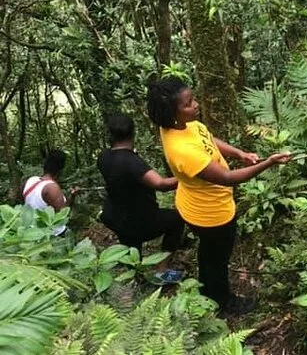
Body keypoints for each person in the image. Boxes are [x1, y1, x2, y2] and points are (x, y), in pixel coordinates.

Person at [146, 77, 292, 315]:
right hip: (210, 214)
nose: (196, 105)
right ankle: (221, 302)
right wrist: (268, 163)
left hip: (197, 203)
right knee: (217, 259)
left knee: (209, 254)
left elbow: (208, 139)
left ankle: (208, 289)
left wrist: (240, 153)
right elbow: (227, 177)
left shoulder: (182, 125)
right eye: (188, 104)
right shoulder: (181, 150)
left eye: (193, 99)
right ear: (172, 112)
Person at [97, 113, 186, 285]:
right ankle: (161, 271)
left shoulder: (104, 157)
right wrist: (190, 176)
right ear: (133, 133)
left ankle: (136, 276)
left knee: (130, 242)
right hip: (140, 219)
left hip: (115, 216)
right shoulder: (131, 161)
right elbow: (161, 184)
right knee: (176, 219)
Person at [22, 149, 78, 236]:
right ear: (60, 170)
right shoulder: (52, 188)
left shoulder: (31, 180)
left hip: (31, 232)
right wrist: (72, 197)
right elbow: (63, 215)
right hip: (52, 234)